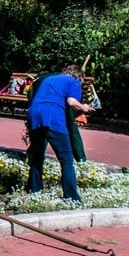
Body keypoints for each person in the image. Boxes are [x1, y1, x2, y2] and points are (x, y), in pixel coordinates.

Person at [26, 64, 93, 202]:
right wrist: (84, 107)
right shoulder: (73, 82)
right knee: (66, 160)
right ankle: (71, 197)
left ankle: (34, 189)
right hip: (53, 118)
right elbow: (71, 101)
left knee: (37, 155)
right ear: (79, 77)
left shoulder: (49, 79)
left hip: (34, 115)